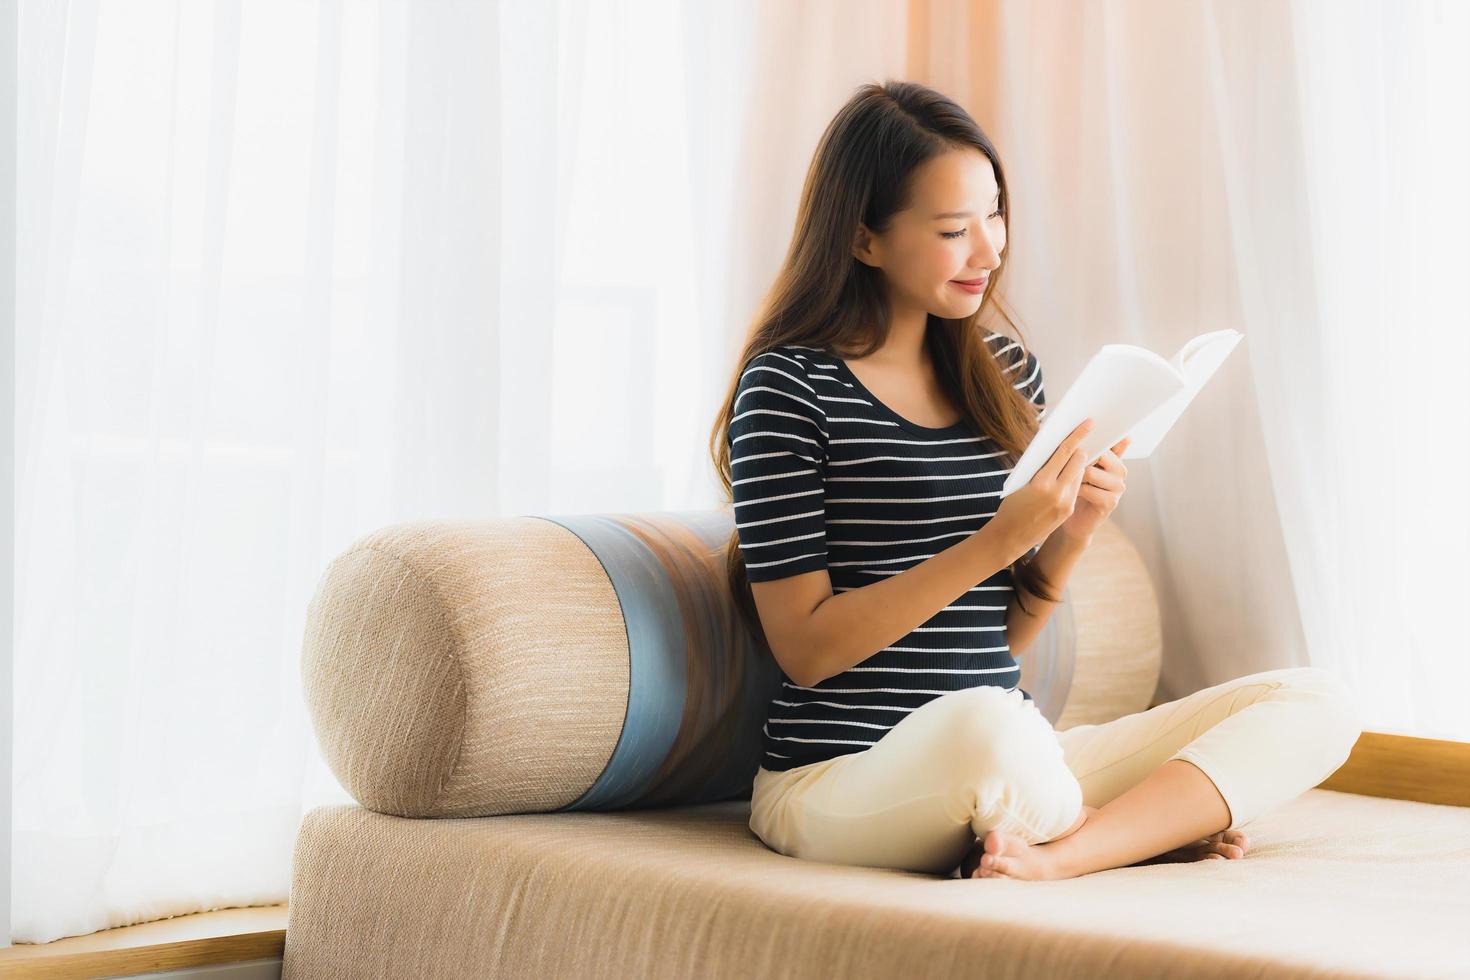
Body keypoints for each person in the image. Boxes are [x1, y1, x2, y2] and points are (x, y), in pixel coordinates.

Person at [710, 80, 1362, 881]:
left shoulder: (1006, 373)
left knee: (1315, 701)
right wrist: (998, 542)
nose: (989, 249)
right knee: (990, 728)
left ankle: (1067, 843)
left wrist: (1068, 537)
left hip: (1001, 756)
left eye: (995, 214)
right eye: (954, 228)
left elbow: (994, 645)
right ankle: (1119, 835)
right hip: (846, 775)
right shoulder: (787, 389)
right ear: (863, 239)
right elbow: (806, 651)